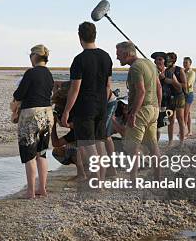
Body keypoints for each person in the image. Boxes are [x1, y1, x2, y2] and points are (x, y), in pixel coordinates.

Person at [60, 22, 113, 181]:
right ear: (94, 35)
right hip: (101, 105)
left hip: (84, 108)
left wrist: (67, 111)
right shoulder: (106, 56)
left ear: (80, 37)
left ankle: (96, 181)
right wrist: (103, 103)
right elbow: (108, 86)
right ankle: (101, 180)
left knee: (88, 145)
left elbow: (75, 89)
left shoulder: (79, 60)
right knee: (100, 144)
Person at [13, 44, 54, 199]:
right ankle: (42, 188)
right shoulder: (49, 74)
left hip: (31, 115)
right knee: (41, 153)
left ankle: (30, 191)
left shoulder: (31, 73)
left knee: (29, 154)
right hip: (47, 114)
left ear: (35, 56)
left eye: (30, 55)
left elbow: (19, 94)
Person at [116, 41, 162, 177]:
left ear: (127, 53)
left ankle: (133, 180)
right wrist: (157, 107)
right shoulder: (149, 64)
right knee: (153, 146)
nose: (117, 57)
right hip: (153, 110)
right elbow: (159, 87)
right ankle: (158, 177)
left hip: (142, 110)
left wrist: (133, 113)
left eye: (118, 54)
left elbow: (141, 92)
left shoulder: (135, 67)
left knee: (132, 147)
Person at [164, 52, 187, 148]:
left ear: (173, 60)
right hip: (169, 98)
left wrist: (173, 82)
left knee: (180, 119)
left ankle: (181, 142)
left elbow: (185, 85)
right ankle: (170, 141)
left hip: (179, 96)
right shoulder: (166, 71)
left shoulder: (179, 70)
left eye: (168, 59)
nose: (166, 61)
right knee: (170, 120)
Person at [183, 57, 196, 136]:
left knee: (185, 113)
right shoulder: (182, 71)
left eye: (186, 63)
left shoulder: (192, 73)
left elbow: (188, 84)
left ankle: (183, 132)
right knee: (188, 113)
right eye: (184, 62)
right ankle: (189, 131)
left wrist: (179, 84)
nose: (184, 64)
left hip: (189, 94)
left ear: (190, 64)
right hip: (183, 93)